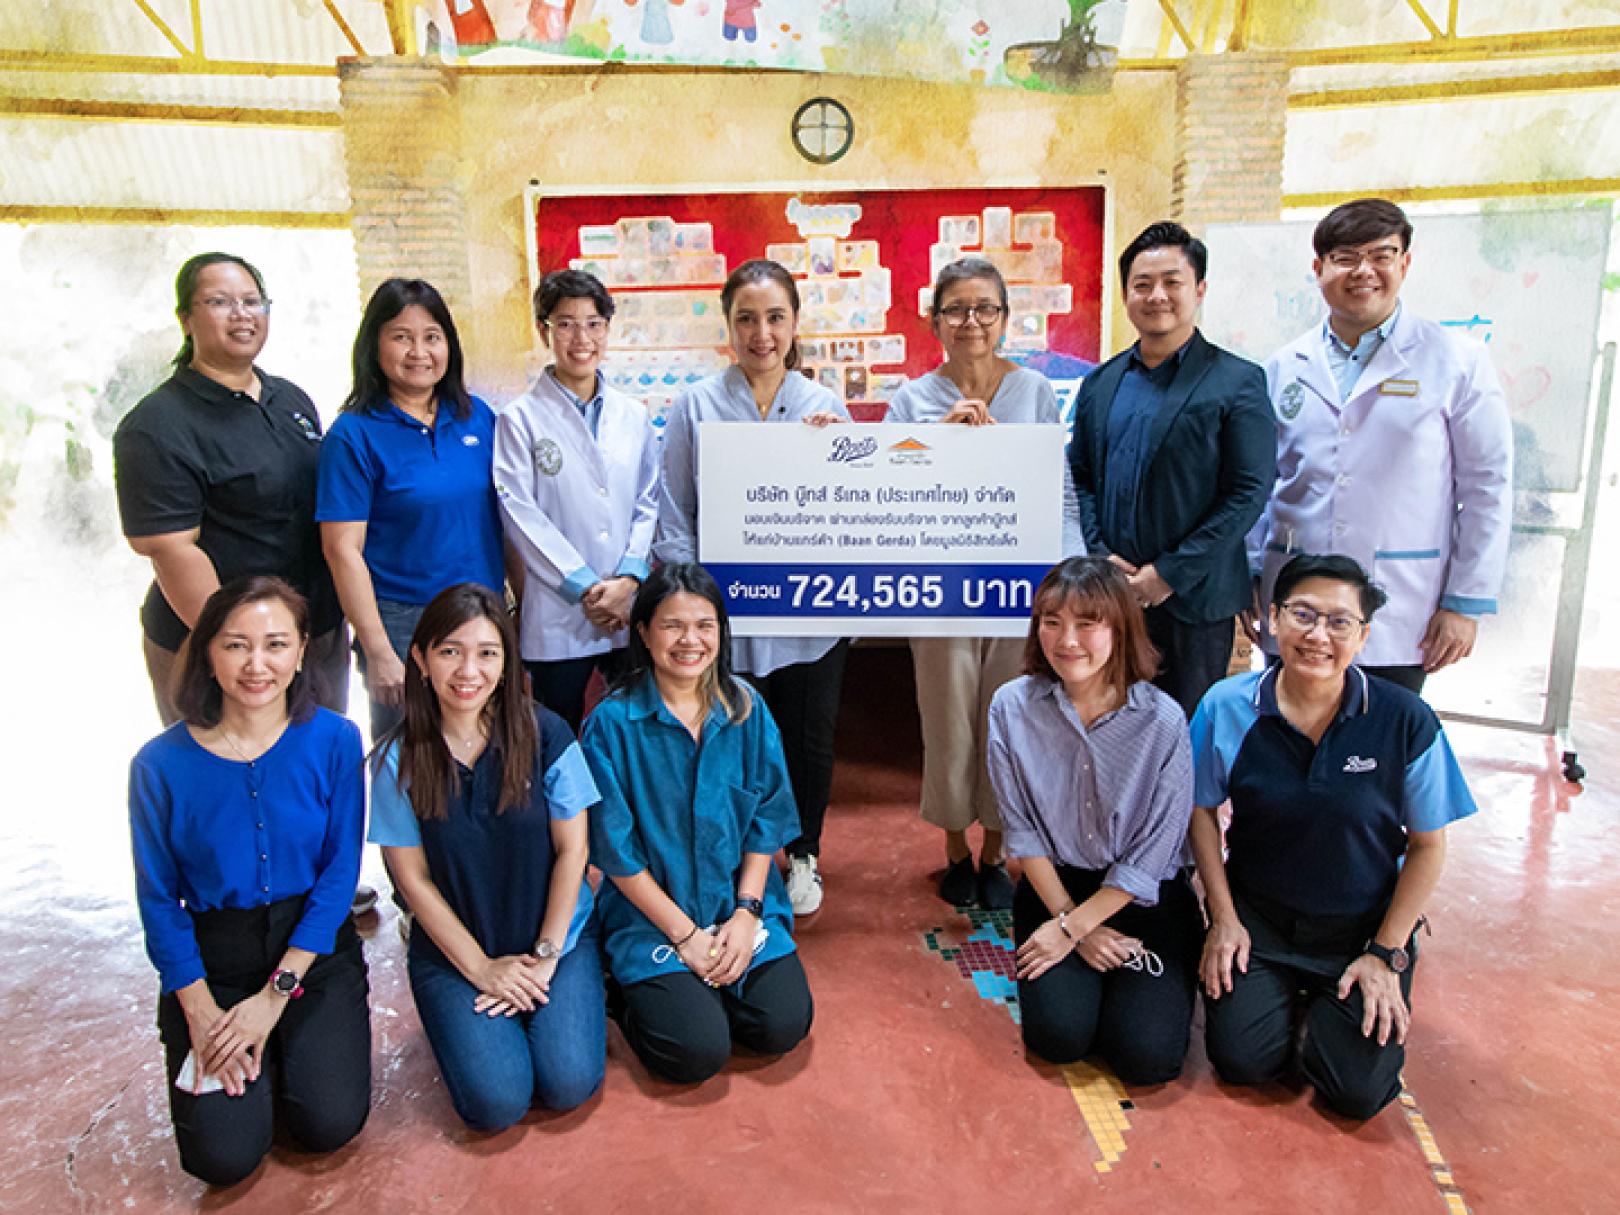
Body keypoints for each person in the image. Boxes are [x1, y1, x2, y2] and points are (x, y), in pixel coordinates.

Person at [1189, 553, 1479, 1120]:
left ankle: (1332, 1002)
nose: (1318, 636)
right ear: (1273, 618)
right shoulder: (1226, 706)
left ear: (1364, 636)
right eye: (1303, 614)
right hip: (1260, 921)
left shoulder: (1405, 720)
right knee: (1242, 1061)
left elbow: (1427, 846)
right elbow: (1200, 812)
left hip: (1361, 930)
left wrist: (1385, 952)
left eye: (1339, 622)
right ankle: (1287, 998)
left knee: (1355, 1093)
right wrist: (1223, 918)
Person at [128, 577, 369, 1187]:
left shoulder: (336, 740)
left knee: (328, 1124)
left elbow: (340, 874)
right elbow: (158, 899)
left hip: (310, 954)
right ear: (207, 652)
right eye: (236, 645)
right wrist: (199, 1008)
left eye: (276, 644)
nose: (257, 665)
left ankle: (292, 1046)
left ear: (301, 652)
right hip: (215, 962)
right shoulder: (158, 765)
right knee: (224, 1159)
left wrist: (274, 999)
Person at [886, 256, 1086, 909]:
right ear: (934, 320)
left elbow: (1056, 490)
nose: (970, 321)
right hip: (940, 588)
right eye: (956, 309)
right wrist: (934, 446)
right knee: (947, 719)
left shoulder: (1034, 392)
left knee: (1011, 718)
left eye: (984, 309)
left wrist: (1069, 577)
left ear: (1003, 319)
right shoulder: (912, 399)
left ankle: (997, 851)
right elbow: (885, 495)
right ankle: (954, 851)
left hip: (1017, 588)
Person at [1252, 198, 1513, 694]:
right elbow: (1259, 482)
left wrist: (1464, 601)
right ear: (1318, 268)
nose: (1363, 271)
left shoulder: (1457, 362)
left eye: (1381, 256)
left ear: (1404, 264)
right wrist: (1251, 574)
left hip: (1400, 610)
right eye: (1346, 258)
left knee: (1382, 734)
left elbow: (1487, 488)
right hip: (1294, 601)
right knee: (1284, 730)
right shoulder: (1283, 367)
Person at [368, 584, 604, 1130]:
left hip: (554, 938)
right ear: (420, 658)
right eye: (450, 651)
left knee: (567, 1081)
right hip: (457, 950)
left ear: (506, 660)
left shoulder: (548, 733)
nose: (468, 671)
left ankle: (570, 994)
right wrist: (478, 968)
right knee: (497, 1102)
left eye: (487, 653)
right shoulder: (396, 760)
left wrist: (547, 954)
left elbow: (574, 850)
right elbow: (413, 881)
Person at [655, 259, 850, 916]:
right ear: (728, 325)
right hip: (726, 615)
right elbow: (675, 511)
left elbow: (855, 510)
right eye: (746, 318)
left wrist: (838, 456)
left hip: (810, 613)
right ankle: (741, 858)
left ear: (794, 324)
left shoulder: (824, 406)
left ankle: (805, 853)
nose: (761, 334)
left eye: (774, 318)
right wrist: (693, 603)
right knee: (733, 738)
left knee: (809, 739)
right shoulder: (696, 405)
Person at [582, 563, 813, 1085]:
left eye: (704, 626)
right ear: (643, 633)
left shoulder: (747, 708)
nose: (690, 641)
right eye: (673, 626)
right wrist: (684, 935)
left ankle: (699, 992)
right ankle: (627, 991)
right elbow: (616, 853)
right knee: (694, 1053)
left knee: (782, 1024)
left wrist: (747, 913)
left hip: (737, 904)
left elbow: (765, 821)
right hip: (652, 914)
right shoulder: (611, 725)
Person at [987, 558, 1199, 1083]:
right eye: (1052, 622)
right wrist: (1070, 921)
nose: (1067, 640)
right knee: (1059, 1038)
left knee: (1146, 1058)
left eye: (1087, 623)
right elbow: (1022, 831)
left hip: (1144, 899)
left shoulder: (1163, 720)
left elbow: (1156, 850)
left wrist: (1076, 929)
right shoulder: (1011, 707)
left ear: (1120, 629)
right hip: (1055, 888)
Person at [114, 252, 347, 727]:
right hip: (218, 643)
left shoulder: (290, 398)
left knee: (316, 761)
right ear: (186, 319)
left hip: (314, 629)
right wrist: (246, 648)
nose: (242, 315)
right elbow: (172, 550)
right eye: (220, 302)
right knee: (232, 764)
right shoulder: (157, 424)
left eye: (252, 301)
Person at [1069, 221, 1275, 717]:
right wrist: (1101, 554)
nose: (1156, 295)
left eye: (1172, 282)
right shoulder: (1100, 383)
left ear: (1199, 289)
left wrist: (1168, 574)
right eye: (1142, 284)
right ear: (1126, 294)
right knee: (1108, 726)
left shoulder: (1237, 381)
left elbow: (1249, 490)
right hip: (1112, 597)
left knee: (1186, 734)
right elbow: (1082, 478)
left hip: (1193, 602)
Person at [318, 277, 508, 740]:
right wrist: (378, 649)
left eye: (432, 337)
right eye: (401, 337)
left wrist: (516, 613)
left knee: (488, 746)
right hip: (405, 623)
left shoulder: (478, 417)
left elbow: (507, 521)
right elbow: (342, 550)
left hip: (484, 615)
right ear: (374, 345)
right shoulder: (353, 434)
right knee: (413, 754)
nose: (419, 352)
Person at [494, 269, 659, 733]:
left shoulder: (633, 416)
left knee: (632, 732)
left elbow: (648, 500)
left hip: (626, 607)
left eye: (593, 324)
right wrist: (586, 586)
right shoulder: (519, 420)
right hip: (559, 612)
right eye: (565, 324)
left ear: (608, 328)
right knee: (558, 734)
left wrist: (629, 578)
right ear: (543, 331)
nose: (581, 338)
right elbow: (519, 513)